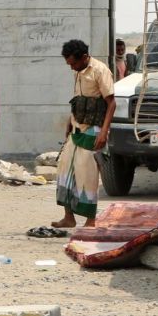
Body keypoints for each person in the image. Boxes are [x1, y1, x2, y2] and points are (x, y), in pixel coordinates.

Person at [53, 39, 115, 228]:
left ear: (84, 57)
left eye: (73, 63)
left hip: (93, 130)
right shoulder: (79, 72)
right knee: (65, 171)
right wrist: (68, 122)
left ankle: (91, 221)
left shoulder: (100, 70)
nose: (71, 67)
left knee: (87, 175)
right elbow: (78, 100)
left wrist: (103, 133)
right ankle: (69, 217)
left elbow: (111, 103)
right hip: (76, 128)